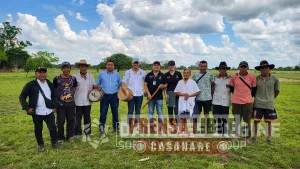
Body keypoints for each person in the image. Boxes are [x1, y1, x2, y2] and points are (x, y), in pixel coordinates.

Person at [19, 66, 62, 152]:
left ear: (46, 73)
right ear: (36, 74)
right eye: (40, 72)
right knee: (38, 129)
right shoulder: (30, 85)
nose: (42, 74)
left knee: (52, 128)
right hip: (37, 112)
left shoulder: (50, 84)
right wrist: (27, 108)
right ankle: (40, 145)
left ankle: (54, 143)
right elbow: (22, 97)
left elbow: (54, 96)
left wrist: (54, 106)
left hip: (49, 111)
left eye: (44, 72)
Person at [252, 60, 280, 145]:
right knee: (256, 121)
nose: (264, 70)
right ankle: (254, 137)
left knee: (268, 122)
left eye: (266, 68)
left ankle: (268, 139)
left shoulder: (275, 79)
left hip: (269, 104)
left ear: (269, 69)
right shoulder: (256, 79)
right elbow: (253, 90)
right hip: (258, 104)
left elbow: (277, 91)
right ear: (260, 70)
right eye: (262, 68)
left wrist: (270, 99)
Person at [230, 61, 256, 144]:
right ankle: (236, 135)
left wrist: (247, 97)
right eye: (242, 66)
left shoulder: (252, 77)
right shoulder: (234, 77)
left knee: (247, 120)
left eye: (245, 66)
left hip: (247, 102)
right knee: (237, 119)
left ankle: (247, 137)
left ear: (247, 68)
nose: (243, 68)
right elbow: (232, 88)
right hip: (236, 101)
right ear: (238, 67)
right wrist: (238, 95)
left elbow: (254, 90)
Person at [53, 61, 78, 143]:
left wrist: (70, 95)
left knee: (71, 120)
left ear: (70, 69)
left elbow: (74, 88)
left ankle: (70, 136)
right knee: (60, 121)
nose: (66, 69)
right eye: (64, 68)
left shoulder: (73, 79)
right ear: (61, 69)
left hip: (71, 102)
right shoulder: (57, 78)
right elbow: (54, 91)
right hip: (60, 103)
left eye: (68, 68)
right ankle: (60, 137)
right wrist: (60, 97)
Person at [96, 60, 121, 134]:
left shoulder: (117, 74)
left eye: (111, 65)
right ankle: (101, 128)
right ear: (106, 66)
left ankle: (116, 127)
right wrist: (98, 87)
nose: (110, 66)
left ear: (114, 66)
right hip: (104, 96)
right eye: (108, 64)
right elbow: (97, 84)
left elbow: (119, 84)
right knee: (103, 112)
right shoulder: (101, 74)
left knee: (115, 113)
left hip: (114, 96)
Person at [74, 59, 96, 138]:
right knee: (77, 118)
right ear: (79, 67)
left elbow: (94, 85)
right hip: (78, 101)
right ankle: (77, 133)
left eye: (85, 66)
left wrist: (97, 87)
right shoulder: (75, 77)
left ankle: (88, 133)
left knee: (87, 117)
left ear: (87, 68)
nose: (83, 68)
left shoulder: (91, 76)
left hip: (87, 101)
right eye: (82, 66)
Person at [121, 58, 146, 128]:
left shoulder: (143, 72)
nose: (136, 64)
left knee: (138, 110)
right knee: (130, 110)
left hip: (139, 94)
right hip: (130, 95)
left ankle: (137, 125)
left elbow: (146, 82)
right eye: (134, 63)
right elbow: (124, 81)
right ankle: (129, 125)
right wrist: (123, 88)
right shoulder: (128, 72)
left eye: (137, 63)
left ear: (139, 63)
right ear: (132, 63)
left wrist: (146, 91)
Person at [174, 68, 200, 135]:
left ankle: (191, 132)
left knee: (191, 117)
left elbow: (198, 92)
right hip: (182, 101)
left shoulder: (192, 82)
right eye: (185, 72)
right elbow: (176, 92)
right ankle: (185, 131)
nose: (186, 74)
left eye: (187, 73)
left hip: (190, 101)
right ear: (183, 73)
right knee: (183, 117)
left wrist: (189, 95)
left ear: (190, 74)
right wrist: (184, 94)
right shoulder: (180, 82)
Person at [192, 60, 214, 134]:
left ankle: (206, 130)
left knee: (207, 115)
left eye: (205, 66)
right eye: (201, 66)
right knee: (197, 115)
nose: (203, 68)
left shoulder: (210, 75)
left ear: (207, 67)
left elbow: (212, 85)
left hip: (207, 98)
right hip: (198, 98)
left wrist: (212, 95)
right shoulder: (195, 76)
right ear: (199, 66)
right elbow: (193, 86)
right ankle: (196, 130)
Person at [144, 61, 166, 131]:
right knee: (150, 111)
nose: (156, 66)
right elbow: (145, 84)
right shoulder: (148, 75)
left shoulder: (162, 75)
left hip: (159, 97)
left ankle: (161, 126)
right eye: (155, 65)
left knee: (160, 112)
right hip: (150, 98)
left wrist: (162, 86)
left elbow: (166, 85)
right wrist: (148, 94)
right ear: (152, 66)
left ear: (159, 67)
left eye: (158, 65)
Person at [212, 62, 231, 137]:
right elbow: (212, 88)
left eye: (224, 69)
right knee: (216, 116)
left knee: (225, 117)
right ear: (219, 70)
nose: (222, 70)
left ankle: (225, 132)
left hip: (226, 100)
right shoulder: (215, 78)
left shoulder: (230, 78)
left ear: (226, 69)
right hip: (216, 100)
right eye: (221, 69)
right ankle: (218, 131)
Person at [164, 60, 183, 127]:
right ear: (168, 66)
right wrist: (165, 94)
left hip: (177, 94)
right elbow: (165, 86)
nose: (171, 66)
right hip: (170, 93)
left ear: (174, 66)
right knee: (170, 110)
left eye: (172, 65)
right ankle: (171, 124)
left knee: (177, 110)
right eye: (170, 65)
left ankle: (178, 124)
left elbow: (181, 84)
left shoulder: (178, 74)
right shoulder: (166, 75)